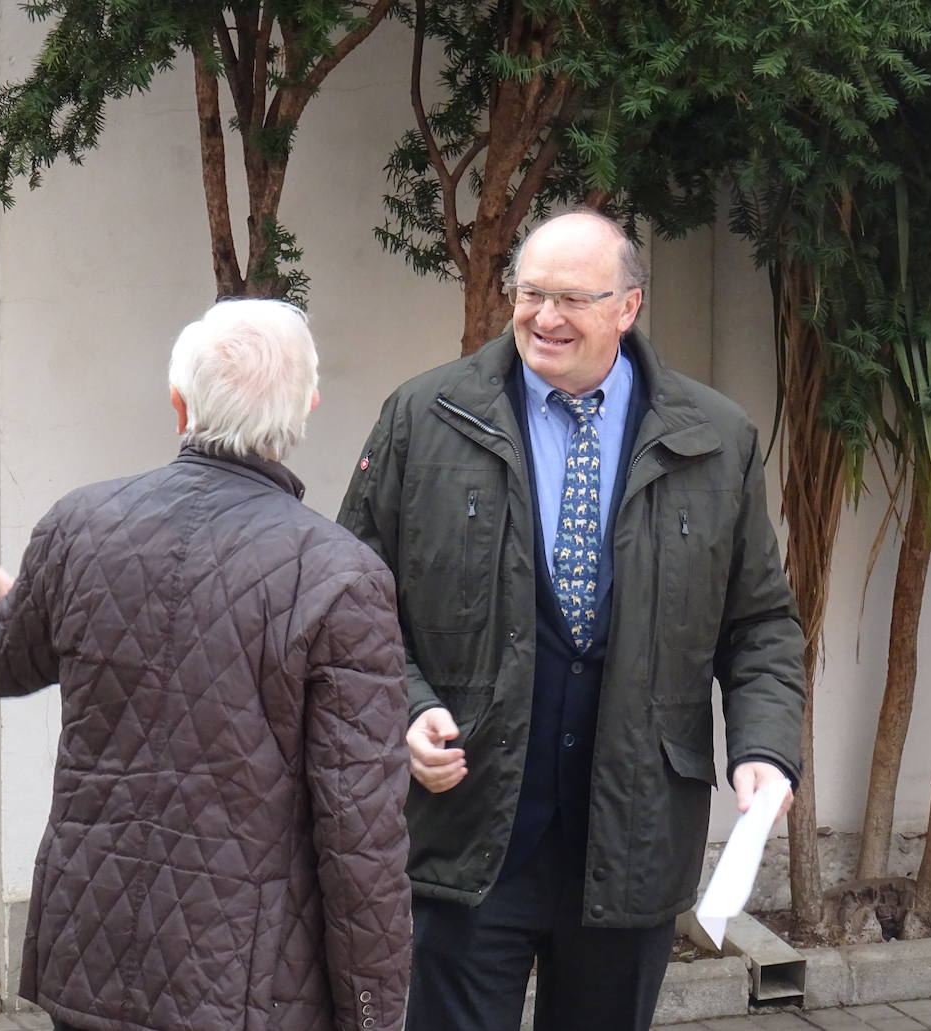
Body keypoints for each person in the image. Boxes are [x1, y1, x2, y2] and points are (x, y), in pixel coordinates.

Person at [337, 210, 807, 1031]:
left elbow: (760, 624)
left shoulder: (715, 438)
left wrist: (764, 749)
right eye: (530, 293)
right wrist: (406, 706)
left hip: (632, 833)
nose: (544, 317)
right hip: (470, 829)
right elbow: (355, 599)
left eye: (571, 299)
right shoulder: (425, 416)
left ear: (627, 306)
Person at [0, 299, 412, 1031]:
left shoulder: (80, 525)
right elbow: (360, 832)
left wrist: (16, 603)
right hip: (247, 982)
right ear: (306, 407)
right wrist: (376, 1013)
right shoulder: (342, 575)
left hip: (94, 946)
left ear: (179, 404)